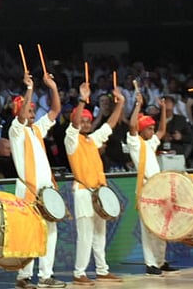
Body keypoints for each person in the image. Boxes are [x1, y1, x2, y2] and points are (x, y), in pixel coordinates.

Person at [65, 81, 125, 285]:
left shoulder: (92, 140)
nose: (86, 123)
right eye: (82, 120)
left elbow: (110, 124)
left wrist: (122, 102)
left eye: (88, 121)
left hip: (99, 192)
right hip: (83, 191)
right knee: (86, 235)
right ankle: (79, 273)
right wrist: (82, 99)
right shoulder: (71, 141)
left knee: (100, 234)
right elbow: (73, 127)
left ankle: (102, 270)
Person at [10, 71, 66, 289]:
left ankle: (46, 275)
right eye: (28, 109)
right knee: (29, 232)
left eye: (33, 109)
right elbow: (22, 116)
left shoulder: (36, 129)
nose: (32, 112)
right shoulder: (16, 130)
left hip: (45, 190)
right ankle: (23, 277)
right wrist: (30, 89)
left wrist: (52, 87)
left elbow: (55, 110)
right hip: (27, 191)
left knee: (50, 232)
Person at [125, 91, 174, 276]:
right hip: (145, 188)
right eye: (149, 129)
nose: (153, 131)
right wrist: (138, 104)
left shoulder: (150, 144)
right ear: (141, 129)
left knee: (162, 226)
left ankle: (161, 261)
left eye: (152, 128)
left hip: (158, 187)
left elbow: (162, 131)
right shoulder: (135, 143)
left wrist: (162, 110)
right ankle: (150, 263)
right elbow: (131, 125)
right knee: (148, 228)